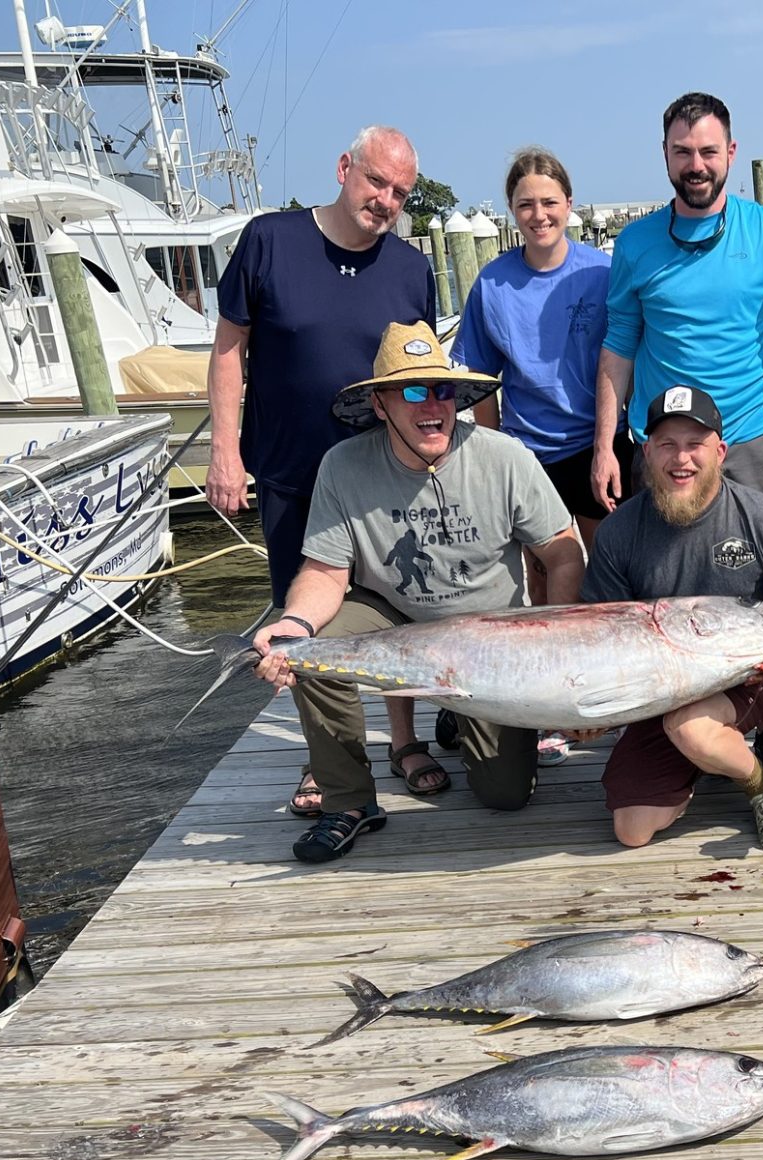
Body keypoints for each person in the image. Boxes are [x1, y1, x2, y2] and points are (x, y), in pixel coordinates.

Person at [251, 323, 585, 864]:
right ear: (380, 404)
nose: (432, 404)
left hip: (485, 633)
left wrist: (556, 634)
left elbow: (563, 552)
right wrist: (295, 624)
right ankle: (349, 801)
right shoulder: (342, 465)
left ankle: (456, 714)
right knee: (312, 650)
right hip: (390, 613)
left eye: (442, 389)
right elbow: (326, 572)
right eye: (411, 391)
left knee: (506, 794)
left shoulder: (506, 457)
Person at [591, 91, 763, 781]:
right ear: (665, 155)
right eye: (682, 152)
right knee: (665, 584)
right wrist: (606, 444)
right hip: (660, 442)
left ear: (731, 153)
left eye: (708, 151)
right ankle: (676, 715)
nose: (696, 164)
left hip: (748, 436)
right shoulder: (634, 244)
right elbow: (618, 345)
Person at [208, 124, 435, 819]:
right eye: (376, 181)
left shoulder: (411, 269)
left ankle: (405, 740)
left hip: (384, 473)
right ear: (344, 168)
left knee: (394, 608)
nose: (385, 200)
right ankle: (326, 759)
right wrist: (225, 451)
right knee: (304, 617)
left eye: (400, 192)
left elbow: (422, 376)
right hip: (292, 470)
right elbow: (228, 348)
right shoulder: (269, 239)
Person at [577, 385, 763, 854]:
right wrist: (594, 711)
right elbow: (601, 637)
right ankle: (707, 758)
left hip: (745, 677)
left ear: (720, 452)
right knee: (632, 829)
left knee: (690, 727)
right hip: (658, 688)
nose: (682, 459)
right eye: (667, 444)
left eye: (695, 444)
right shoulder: (618, 532)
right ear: (647, 453)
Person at [454, 147, 627, 766]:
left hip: (598, 444)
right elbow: (480, 379)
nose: (538, 214)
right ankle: (556, 700)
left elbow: (623, 356)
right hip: (527, 452)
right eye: (526, 204)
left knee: (609, 569)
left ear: (569, 205)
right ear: (511, 210)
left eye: (549, 202)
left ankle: (613, 691)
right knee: (545, 578)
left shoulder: (601, 272)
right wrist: (493, 452)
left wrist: (608, 445)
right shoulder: (492, 283)